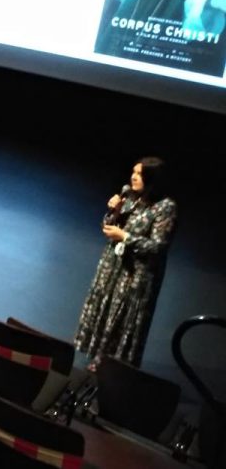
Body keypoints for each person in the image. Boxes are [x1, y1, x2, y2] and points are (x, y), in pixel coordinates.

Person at [75, 157, 177, 368]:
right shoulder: (128, 194)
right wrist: (114, 210)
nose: (134, 177)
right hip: (112, 265)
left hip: (136, 273)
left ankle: (111, 366)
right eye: (133, 172)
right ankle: (96, 355)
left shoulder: (165, 207)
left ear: (152, 179)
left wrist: (126, 237)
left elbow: (158, 246)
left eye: (139, 174)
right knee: (105, 308)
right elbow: (107, 227)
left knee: (123, 318)